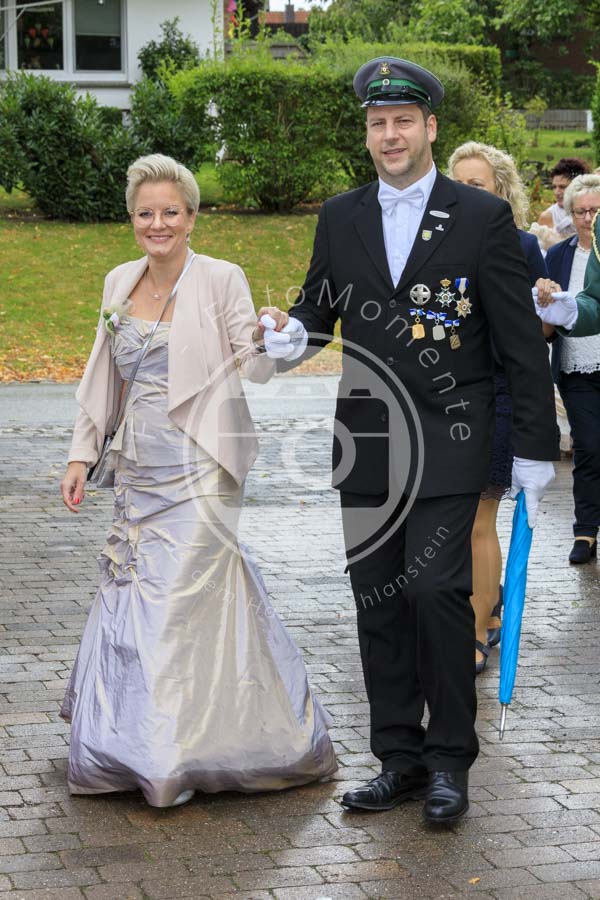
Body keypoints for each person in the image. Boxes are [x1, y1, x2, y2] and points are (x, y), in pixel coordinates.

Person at [259, 58, 559, 826]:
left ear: (429, 127)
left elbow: (519, 342)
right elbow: (317, 310)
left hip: (451, 438)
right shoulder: (341, 216)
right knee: (379, 602)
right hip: (368, 440)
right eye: (377, 124)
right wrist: (289, 337)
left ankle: (450, 760)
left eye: (402, 122)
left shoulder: (481, 217)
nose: (389, 135)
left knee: (434, 594)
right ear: (367, 133)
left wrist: (534, 445)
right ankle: (399, 758)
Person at [59, 153, 336, 808]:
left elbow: (254, 364)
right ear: (132, 219)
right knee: (140, 596)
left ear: (191, 217)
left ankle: (168, 756)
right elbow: (105, 376)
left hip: (203, 467)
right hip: (140, 468)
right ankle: (132, 743)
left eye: (170, 212)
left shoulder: (220, 277)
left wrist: (273, 335)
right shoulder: (119, 280)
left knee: (174, 598)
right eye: (145, 213)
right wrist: (80, 455)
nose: (157, 224)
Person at [446, 141, 548, 673]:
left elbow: (534, 335)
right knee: (454, 522)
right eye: (457, 183)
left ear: (500, 192)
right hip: (443, 398)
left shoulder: (522, 245)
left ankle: (476, 632)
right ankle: (484, 610)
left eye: (477, 185)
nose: (464, 193)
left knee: (478, 520)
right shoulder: (432, 246)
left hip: (496, 394)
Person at [534, 177, 600, 564]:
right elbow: (545, 324)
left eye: (595, 210)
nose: (588, 218)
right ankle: (585, 531)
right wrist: (545, 307)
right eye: (580, 211)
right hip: (577, 368)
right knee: (589, 447)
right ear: (570, 215)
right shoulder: (558, 255)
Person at [538, 157, 590, 239]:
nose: (557, 192)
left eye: (562, 187)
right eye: (554, 187)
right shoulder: (547, 217)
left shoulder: (593, 212)